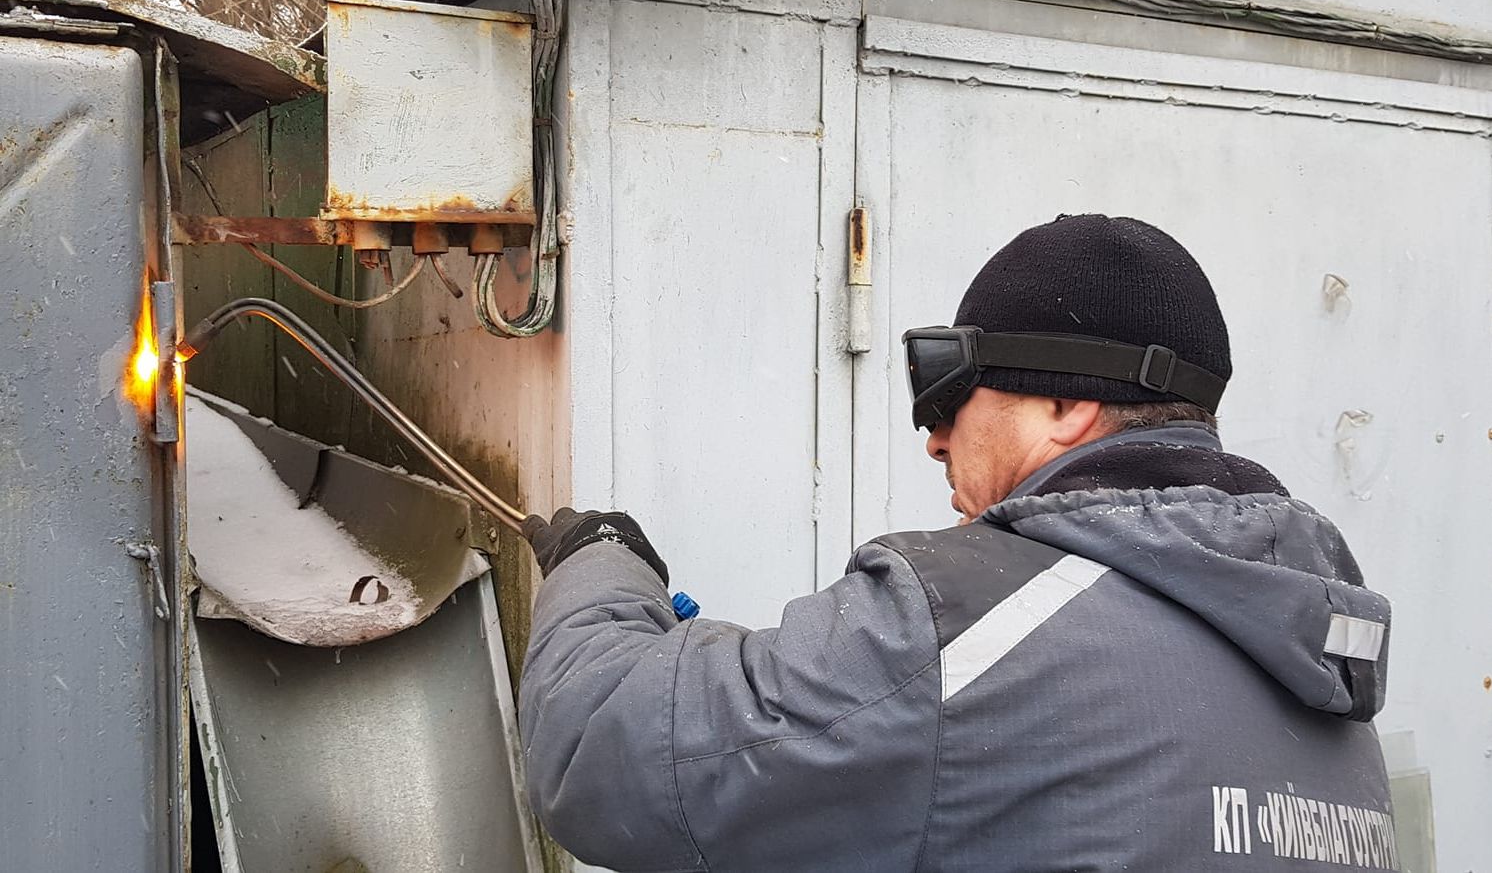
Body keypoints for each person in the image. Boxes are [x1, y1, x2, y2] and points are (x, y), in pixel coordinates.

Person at [518, 214, 1397, 872]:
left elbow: (604, 748)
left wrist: (598, 561)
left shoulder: (965, 624)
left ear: (1067, 403)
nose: (934, 436)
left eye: (953, 395)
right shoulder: (1317, 662)